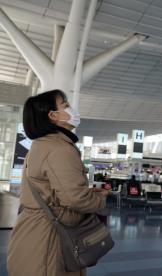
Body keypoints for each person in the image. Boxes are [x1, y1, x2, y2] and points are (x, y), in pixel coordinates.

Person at [7, 90, 109, 276]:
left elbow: (55, 190)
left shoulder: (41, 145)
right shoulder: (59, 149)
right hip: (51, 240)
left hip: (33, 233)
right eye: (65, 105)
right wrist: (100, 199)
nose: (71, 108)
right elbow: (75, 199)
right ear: (53, 115)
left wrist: (84, 193)